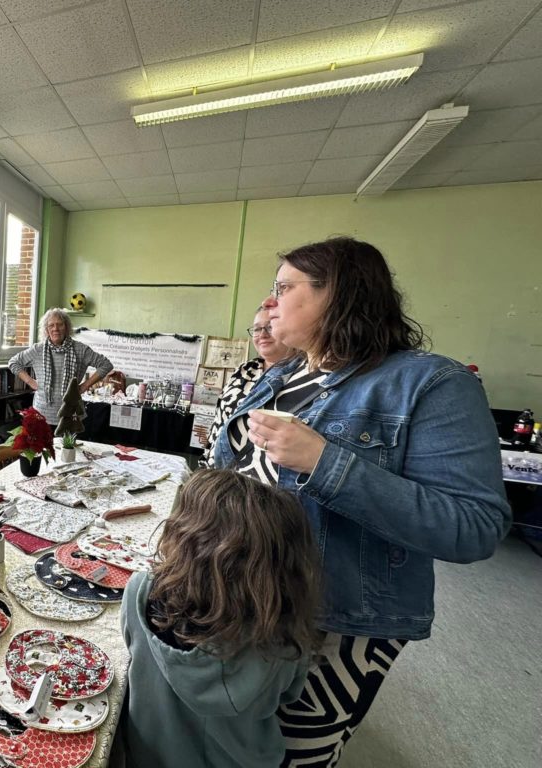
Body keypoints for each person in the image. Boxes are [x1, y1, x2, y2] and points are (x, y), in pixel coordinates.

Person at [209, 236, 511, 767]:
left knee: (291, 755)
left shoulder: (432, 383)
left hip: (333, 619)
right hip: (241, 597)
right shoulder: (280, 375)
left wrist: (325, 461)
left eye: (284, 288)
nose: (270, 301)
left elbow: (474, 526)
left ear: (340, 294)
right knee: (230, 742)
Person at [121, 469, 320, 768]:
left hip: (147, 755)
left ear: (183, 534)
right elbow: (288, 695)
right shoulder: (285, 630)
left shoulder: (140, 590)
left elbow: (129, 646)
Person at [199, 307, 295, 464]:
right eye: (257, 329)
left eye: (270, 327)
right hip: (218, 469)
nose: (262, 334)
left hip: (257, 478)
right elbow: (219, 422)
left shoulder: (302, 376)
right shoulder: (244, 370)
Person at [7, 307, 113, 425]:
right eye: (51, 325)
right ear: (46, 330)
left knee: (68, 444)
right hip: (41, 413)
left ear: (66, 327)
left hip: (71, 414)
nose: (55, 329)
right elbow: (13, 362)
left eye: (60, 325)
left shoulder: (80, 349)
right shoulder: (38, 350)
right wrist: (30, 381)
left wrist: (84, 386)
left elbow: (106, 365)